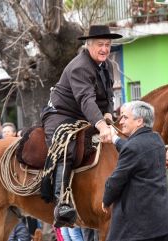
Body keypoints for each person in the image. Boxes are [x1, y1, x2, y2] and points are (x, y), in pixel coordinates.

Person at [40, 25, 122, 227]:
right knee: (66, 146)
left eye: (108, 45)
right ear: (88, 45)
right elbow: (86, 100)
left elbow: (109, 95)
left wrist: (109, 115)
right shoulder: (79, 66)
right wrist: (102, 126)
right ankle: (62, 202)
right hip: (60, 115)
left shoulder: (108, 66)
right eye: (100, 45)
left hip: (87, 116)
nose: (104, 49)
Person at [102, 101, 168, 241]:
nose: (121, 121)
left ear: (139, 121)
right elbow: (135, 149)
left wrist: (106, 199)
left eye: (125, 117)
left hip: (137, 227)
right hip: (160, 223)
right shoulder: (156, 139)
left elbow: (115, 180)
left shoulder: (133, 147)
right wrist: (115, 139)